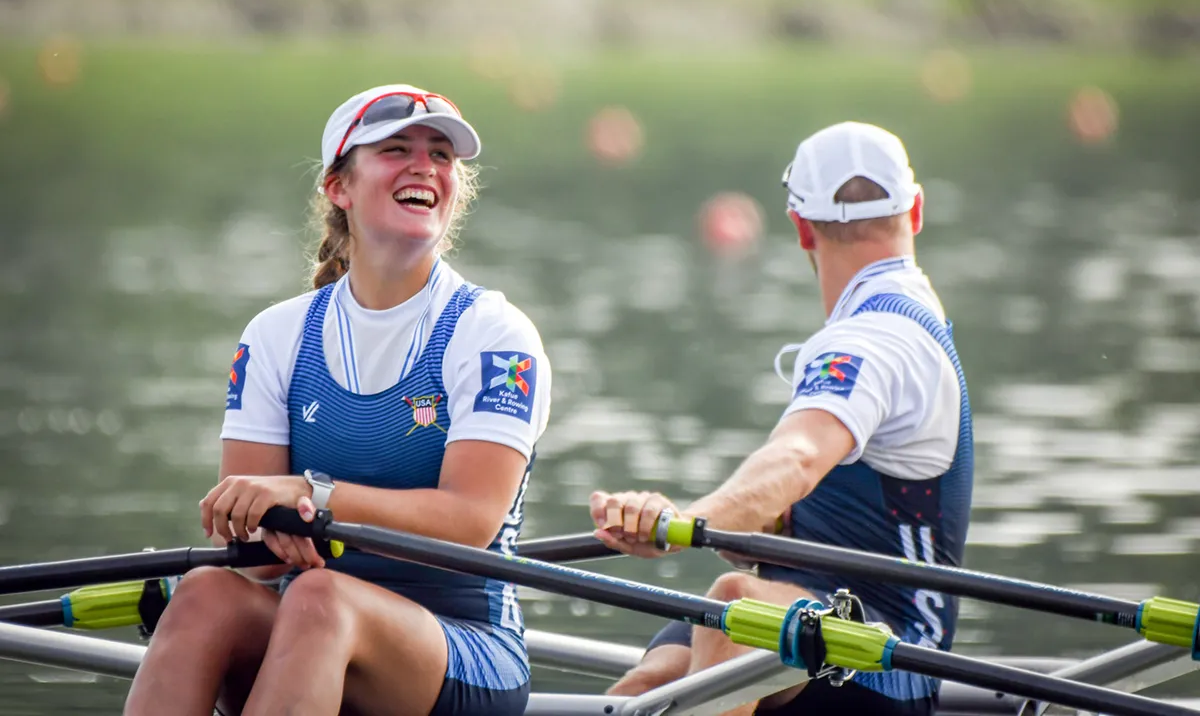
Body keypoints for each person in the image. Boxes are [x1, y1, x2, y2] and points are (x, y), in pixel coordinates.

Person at [125, 84, 552, 716]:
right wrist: (271, 519)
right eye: (396, 149)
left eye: (440, 154)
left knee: (322, 598)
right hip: (308, 622)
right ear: (338, 187)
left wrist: (312, 499)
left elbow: (470, 521)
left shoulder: (495, 335)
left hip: (467, 650)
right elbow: (259, 558)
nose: (424, 166)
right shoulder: (276, 336)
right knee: (203, 594)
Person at [589, 121, 974, 716]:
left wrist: (684, 523)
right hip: (818, 611)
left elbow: (795, 458)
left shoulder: (876, 339)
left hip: (896, 654)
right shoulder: (890, 328)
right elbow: (806, 512)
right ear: (916, 211)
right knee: (651, 684)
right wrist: (721, 525)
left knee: (738, 606)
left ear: (798, 227)